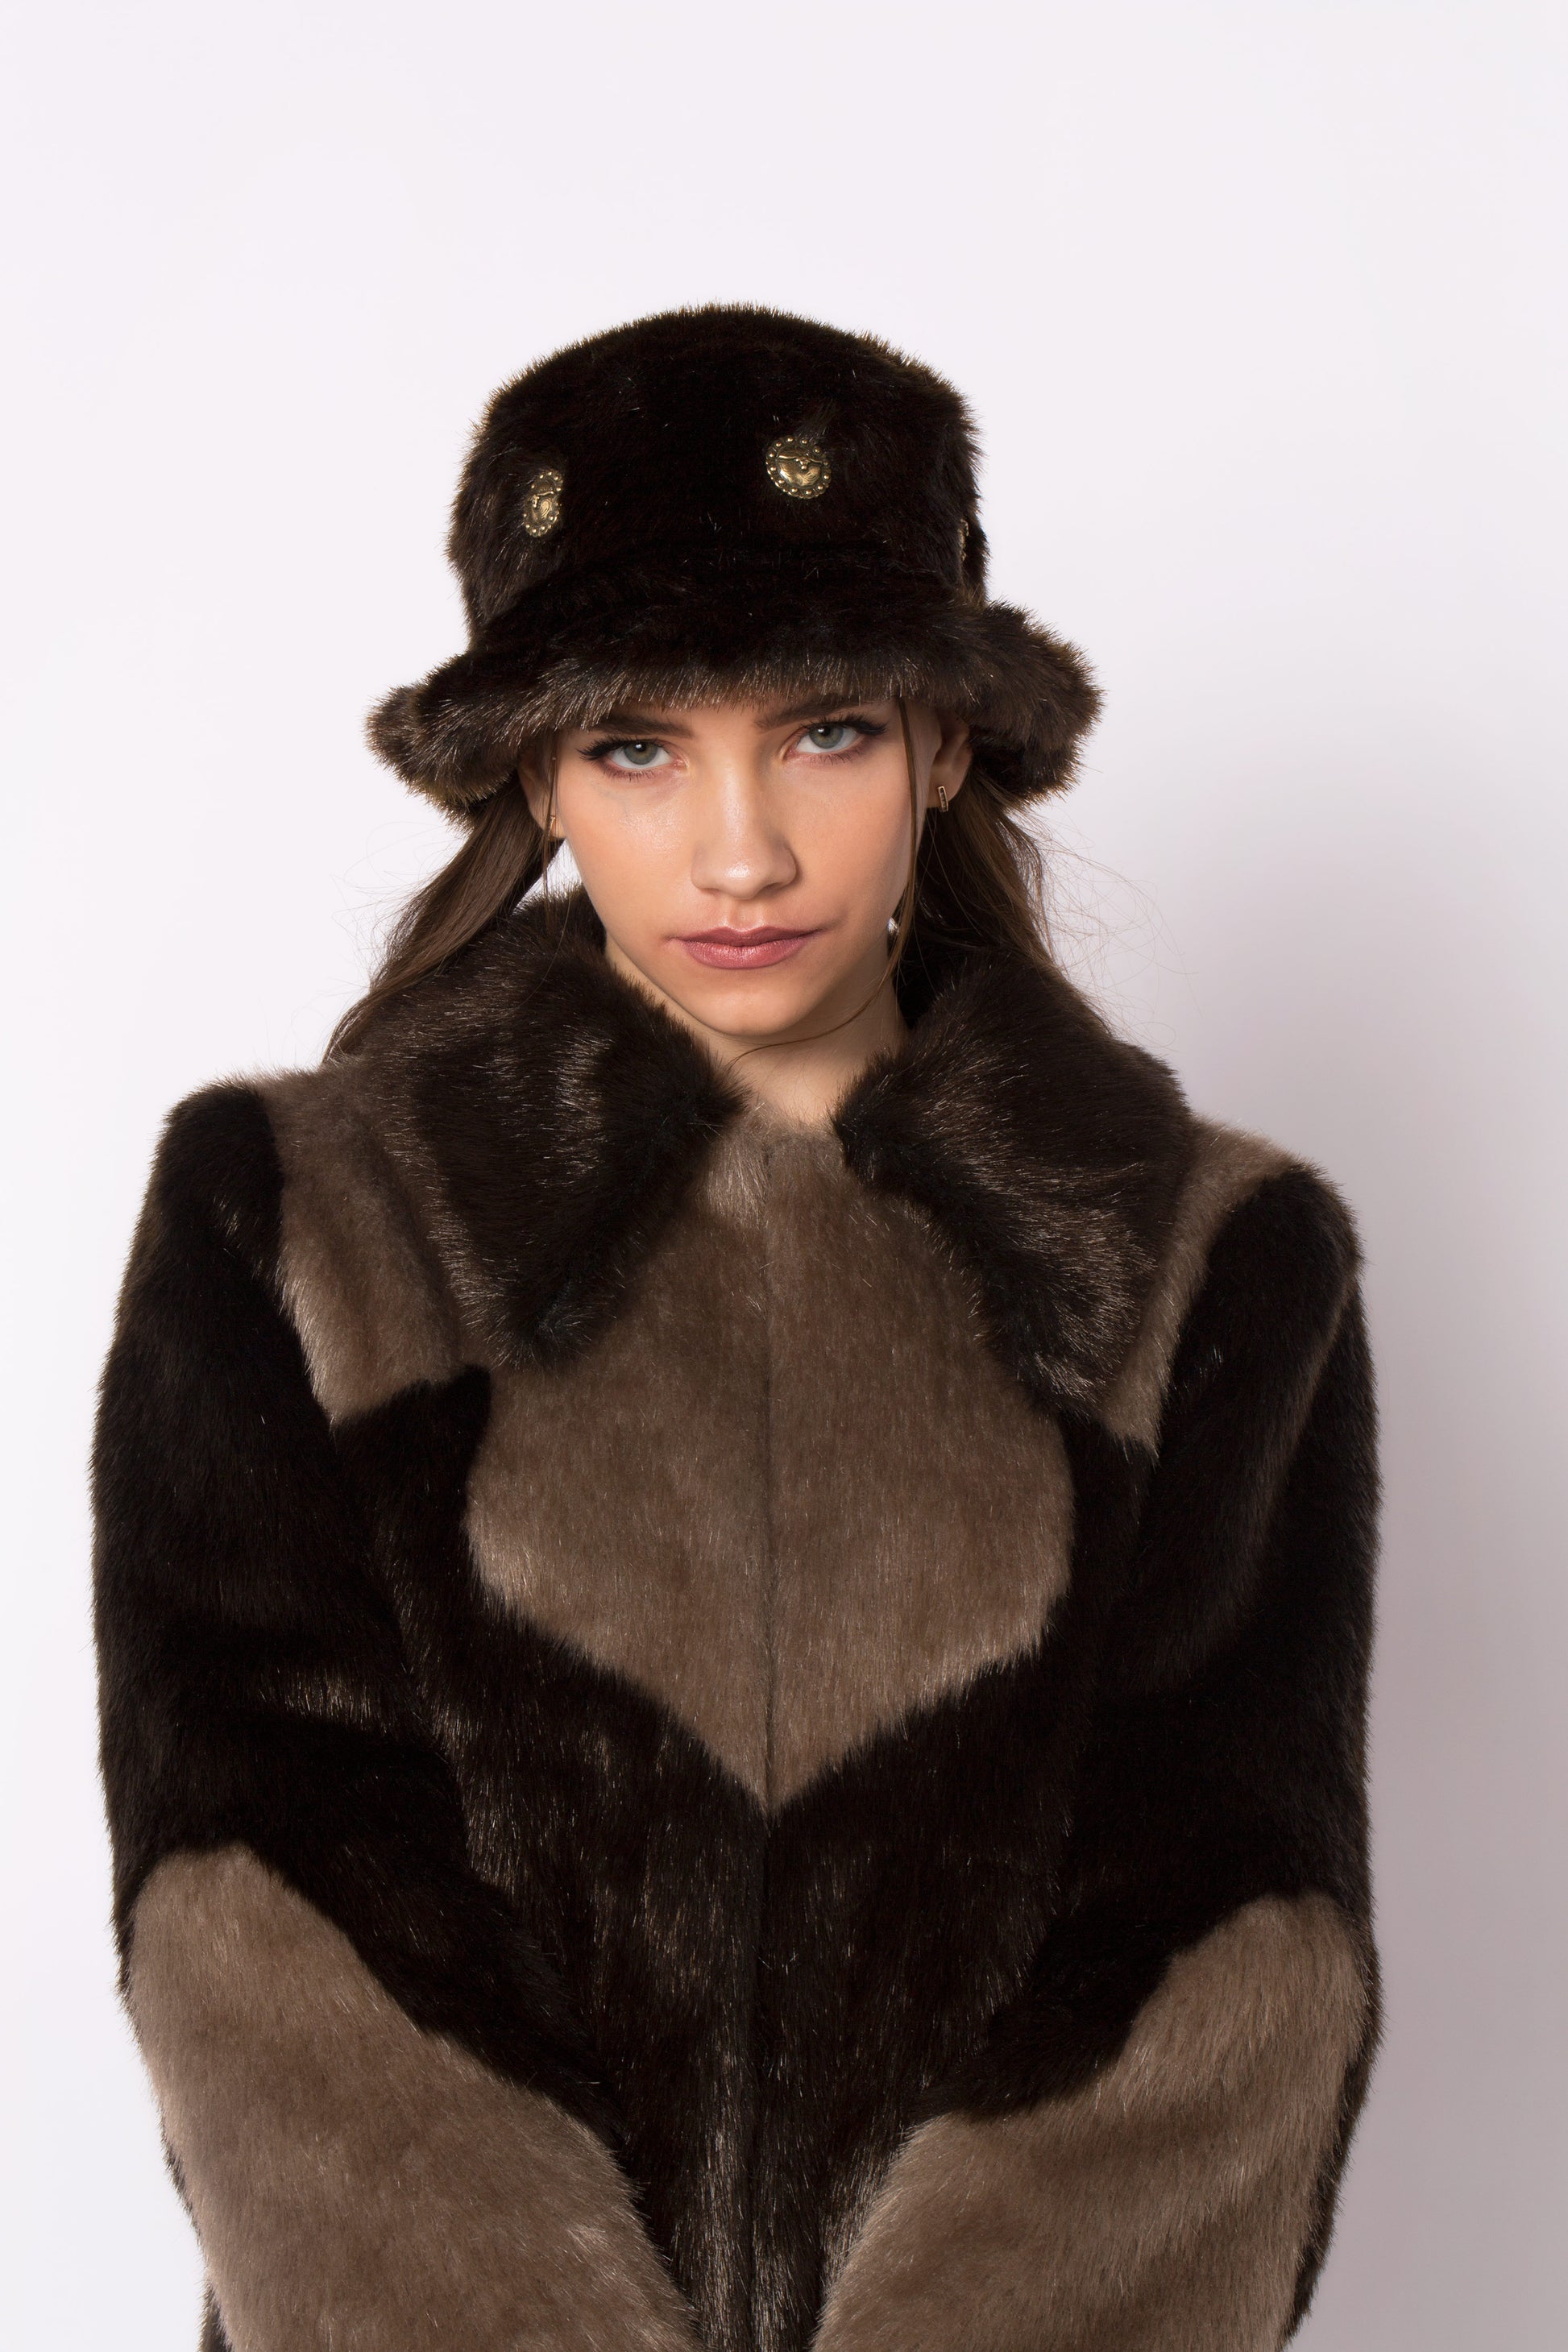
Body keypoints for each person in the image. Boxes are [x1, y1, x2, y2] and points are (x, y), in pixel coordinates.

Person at [93, 307, 1379, 2352]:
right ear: (534, 770)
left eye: (826, 731)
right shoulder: (303, 1223)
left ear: (946, 740)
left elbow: (1228, 1961)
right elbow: (268, 1926)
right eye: (637, 746)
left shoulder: (1209, 1265)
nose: (741, 847)